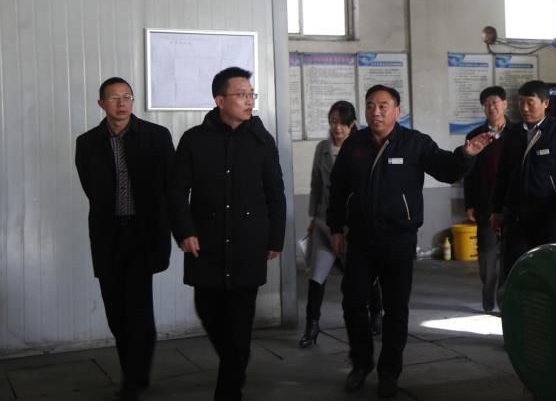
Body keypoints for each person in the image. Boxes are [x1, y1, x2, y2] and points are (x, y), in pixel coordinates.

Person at [328, 84, 495, 398]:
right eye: (370, 105)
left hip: (399, 239)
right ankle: (361, 363)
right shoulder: (355, 144)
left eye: (383, 106)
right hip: (361, 239)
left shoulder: (415, 143)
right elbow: (337, 188)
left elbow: (446, 170)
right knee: (353, 302)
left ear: (397, 111)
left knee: (395, 309)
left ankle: (389, 372)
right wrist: (336, 228)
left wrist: (465, 155)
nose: (376, 112)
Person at [171, 66, 286, 401]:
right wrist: (185, 231)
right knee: (207, 310)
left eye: (252, 94)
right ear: (220, 100)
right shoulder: (194, 139)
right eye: (241, 95)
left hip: (248, 244)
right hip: (205, 243)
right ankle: (235, 362)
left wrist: (275, 238)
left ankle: (228, 391)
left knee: (239, 323)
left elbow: (275, 193)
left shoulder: (262, 141)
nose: (249, 101)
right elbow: (176, 192)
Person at [75, 77, 175, 401]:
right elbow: (91, 188)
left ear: (133, 101)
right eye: (114, 98)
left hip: (143, 234)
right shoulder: (87, 143)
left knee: (138, 308)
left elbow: (171, 187)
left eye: (127, 97)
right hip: (108, 234)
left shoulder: (157, 137)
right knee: (115, 310)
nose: (122, 103)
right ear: (101, 104)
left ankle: (134, 378)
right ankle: (133, 372)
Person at [299, 101, 383, 348]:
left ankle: (376, 313)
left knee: (365, 275)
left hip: (353, 225)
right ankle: (311, 326)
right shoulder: (322, 149)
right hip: (325, 222)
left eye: (343, 123)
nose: (337, 128)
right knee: (316, 276)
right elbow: (316, 184)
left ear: (352, 124)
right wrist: (313, 218)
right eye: (333, 122)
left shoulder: (362, 147)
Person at [490, 80, 556, 283]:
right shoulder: (513, 136)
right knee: (517, 271)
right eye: (521, 102)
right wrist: (497, 210)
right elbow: (503, 175)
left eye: (530, 102)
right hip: (517, 218)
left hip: (552, 217)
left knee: (553, 272)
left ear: (545, 103)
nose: (524, 108)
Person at [463, 86, 513, 313]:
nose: (491, 107)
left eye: (495, 103)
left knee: (509, 255)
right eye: (487, 104)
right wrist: (469, 203)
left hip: (512, 203)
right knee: (487, 254)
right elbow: (469, 172)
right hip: (486, 203)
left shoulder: (518, 132)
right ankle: (488, 294)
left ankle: (504, 298)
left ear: (505, 104)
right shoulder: (475, 135)